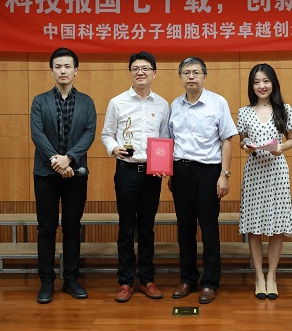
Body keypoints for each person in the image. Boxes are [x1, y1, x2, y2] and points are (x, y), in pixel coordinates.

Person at [101, 51, 170, 303]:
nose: (140, 72)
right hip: (127, 171)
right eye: (135, 68)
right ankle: (126, 281)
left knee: (147, 228)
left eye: (145, 68)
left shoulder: (162, 104)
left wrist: (164, 164)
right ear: (130, 72)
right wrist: (114, 148)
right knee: (127, 228)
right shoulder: (117, 102)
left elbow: (165, 139)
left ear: (154, 73)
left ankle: (147, 279)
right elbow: (107, 134)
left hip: (152, 174)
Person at [168, 57, 238, 304]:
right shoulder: (174, 105)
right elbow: (169, 142)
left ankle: (210, 282)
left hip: (208, 172)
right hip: (181, 172)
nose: (191, 77)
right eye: (186, 72)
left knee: (209, 229)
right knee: (185, 229)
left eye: (196, 72)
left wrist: (224, 175)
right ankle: (188, 279)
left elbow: (227, 140)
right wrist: (170, 172)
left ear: (204, 76)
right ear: (180, 77)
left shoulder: (218, 103)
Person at [30, 47, 97, 304]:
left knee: (72, 228)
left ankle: (71, 279)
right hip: (46, 174)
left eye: (67, 66)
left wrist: (68, 158)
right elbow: (37, 134)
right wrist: (56, 160)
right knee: (46, 229)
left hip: (75, 174)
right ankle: (46, 282)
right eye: (58, 66)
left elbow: (89, 134)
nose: (63, 71)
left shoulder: (87, 102)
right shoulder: (40, 101)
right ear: (52, 70)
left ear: (76, 70)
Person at [238, 63, 292, 300]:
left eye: (265, 81)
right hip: (254, 172)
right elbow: (242, 139)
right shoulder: (244, 111)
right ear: (251, 86)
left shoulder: (285, 109)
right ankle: (259, 276)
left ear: (273, 83)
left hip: (277, 171)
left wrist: (281, 147)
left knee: (277, 226)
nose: (261, 86)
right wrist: (246, 145)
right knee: (255, 226)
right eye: (256, 82)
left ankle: (272, 275)